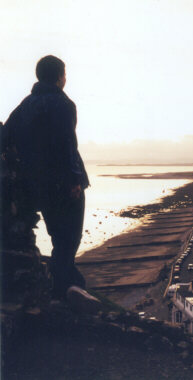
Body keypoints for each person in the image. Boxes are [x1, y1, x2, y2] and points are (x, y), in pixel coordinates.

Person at [3, 55, 90, 300]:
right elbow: (67, 145)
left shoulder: (25, 105)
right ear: (61, 77)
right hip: (64, 184)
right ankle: (65, 288)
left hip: (36, 186)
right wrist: (74, 179)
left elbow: (5, 136)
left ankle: (64, 283)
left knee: (57, 236)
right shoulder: (63, 104)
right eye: (65, 74)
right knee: (69, 237)